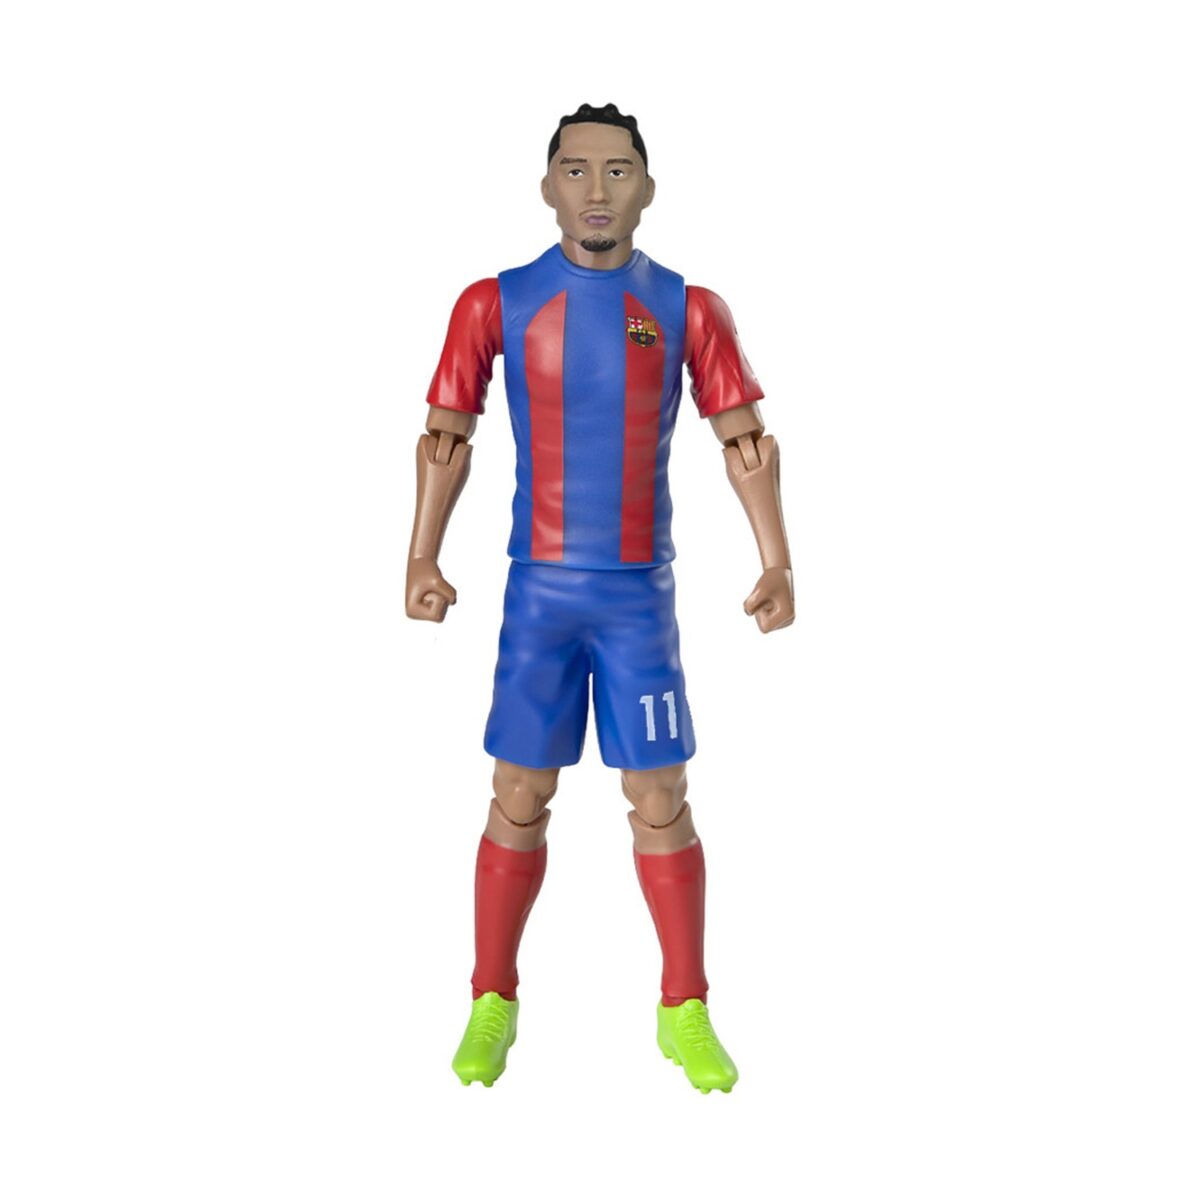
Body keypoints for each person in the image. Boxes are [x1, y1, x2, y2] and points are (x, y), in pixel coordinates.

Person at [406, 103, 793, 1093]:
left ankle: (685, 1006)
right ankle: (491, 999)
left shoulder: (687, 308)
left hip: (638, 601)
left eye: (618, 170)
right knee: (518, 792)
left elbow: (745, 438)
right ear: (547, 186)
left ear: (647, 188)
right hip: (538, 593)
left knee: (660, 797)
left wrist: (777, 559)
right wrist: (421, 555)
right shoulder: (495, 303)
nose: (595, 189)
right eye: (575, 170)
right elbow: (447, 433)